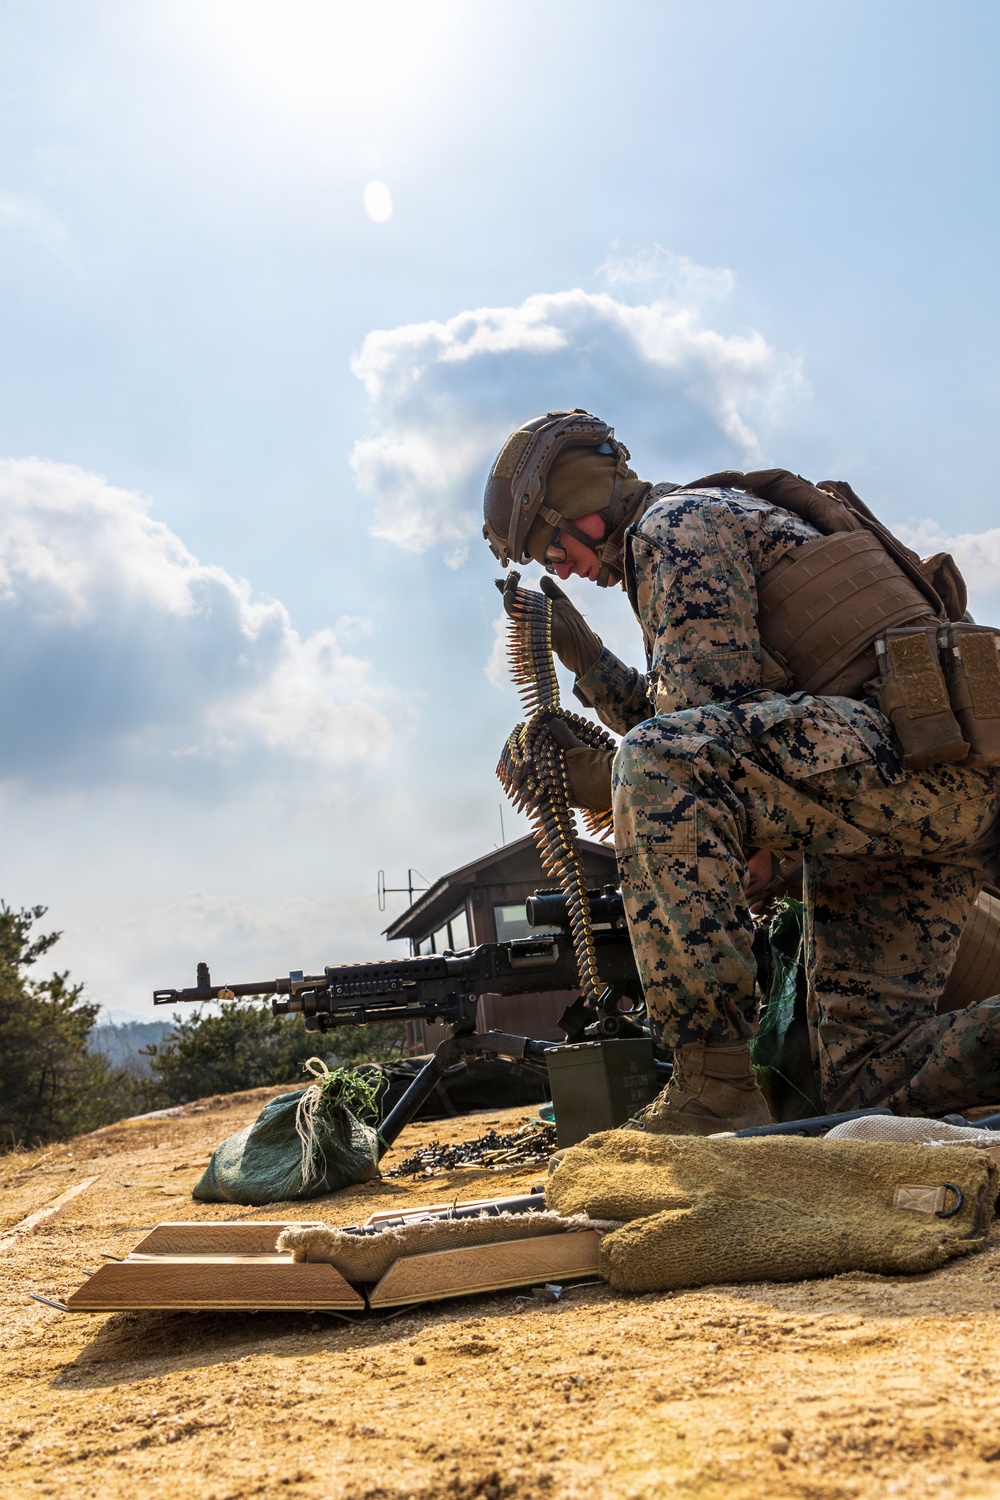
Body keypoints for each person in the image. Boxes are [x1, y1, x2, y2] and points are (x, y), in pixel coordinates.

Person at [483, 410, 1000, 1133]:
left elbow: (693, 744)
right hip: (886, 790)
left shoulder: (676, 527)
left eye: (554, 545)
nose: (561, 567)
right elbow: (711, 731)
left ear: (580, 505)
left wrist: (595, 778)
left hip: (909, 769)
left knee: (659, 762)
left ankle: (716, 1081)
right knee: (865, 1080)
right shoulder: (690, 531)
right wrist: (589, 663)